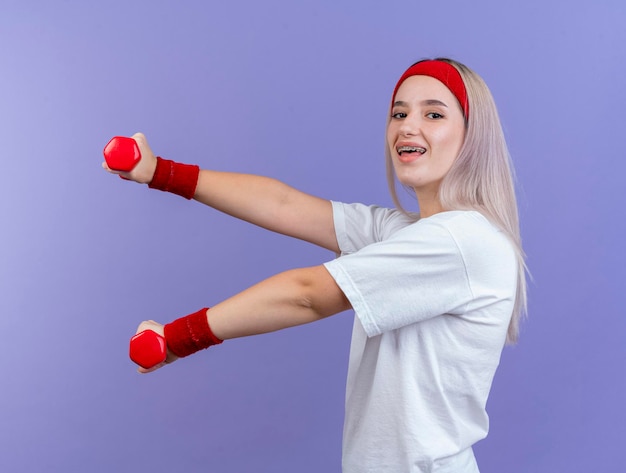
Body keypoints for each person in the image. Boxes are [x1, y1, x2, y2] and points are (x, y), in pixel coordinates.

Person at [103, 57, 527, 473]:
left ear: (472, 137)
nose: (407, 125)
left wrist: (179, 339)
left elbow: (307, 296)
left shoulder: (461, 241)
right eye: (398, 112)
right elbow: (284, 205)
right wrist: (160, 171)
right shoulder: (407, 234)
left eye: (433, 113)